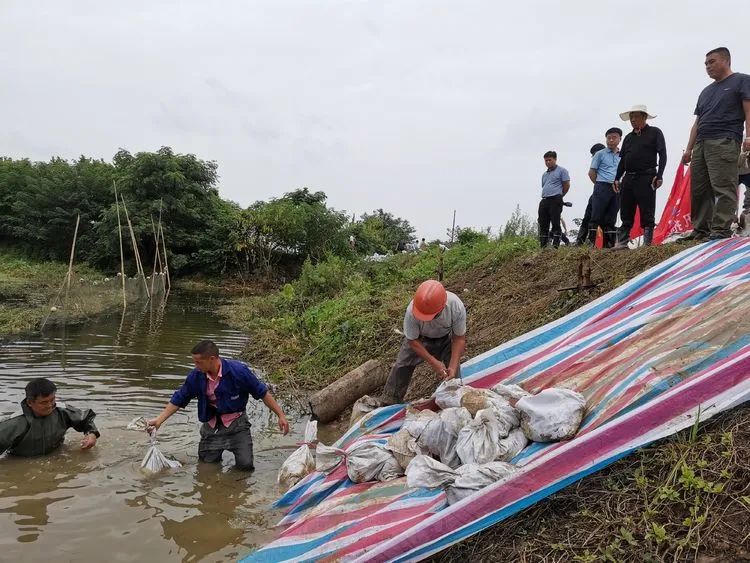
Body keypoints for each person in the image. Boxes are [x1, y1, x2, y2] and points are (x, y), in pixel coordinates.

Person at [147, 340, 289, 471]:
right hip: (211, 426)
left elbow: (262, 393)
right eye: (194, 362)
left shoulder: (238, 372)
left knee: (245, 467)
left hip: (237, 425)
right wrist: (159, 420)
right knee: (206, 468)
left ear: (212, 359)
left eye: (198, 362)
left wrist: (281, 415)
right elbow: (179, 398)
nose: (196, 366)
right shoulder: (196, 376)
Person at [680, 47, 750, 241]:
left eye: (712, 62)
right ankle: (701, 229)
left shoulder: (742, 80)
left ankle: (721, 229)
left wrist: (748, 137)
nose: (708, 66)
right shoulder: (706, 91)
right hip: (702, 142)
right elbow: (697, 122)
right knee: (699, 189)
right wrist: (689, 148)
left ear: (726, 60)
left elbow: (748, 111)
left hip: (725, 139)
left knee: (723, 185)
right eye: (706, 64)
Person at [381, 280, 466, 405]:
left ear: (442, 308)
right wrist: (434, 362)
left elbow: (459, 338)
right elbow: (412, 340)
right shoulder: (411, 311)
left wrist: (452, 366)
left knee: (453, 375)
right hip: (420, 339)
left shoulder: (455, 306)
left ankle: (453, 399)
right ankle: (390, 400)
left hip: (446, 338)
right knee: (402, 365)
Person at [0, 378, 99, 457]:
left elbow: (85, 419)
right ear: (30, 402)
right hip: (21, 462)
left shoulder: (62, 411)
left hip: (57, 455)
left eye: (52, 400)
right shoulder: (13, 424)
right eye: (44, 402)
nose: (49, 405)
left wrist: (91, 434)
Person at [614, 105, 667, 247]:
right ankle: (622, 242)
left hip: (647, 176)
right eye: (631, 117)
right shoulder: (628, 138)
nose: (633, 120)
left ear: (644, 117)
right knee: (625, 210)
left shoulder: (655, 132)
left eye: (636, 116)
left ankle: (647, 242)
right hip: (628, 177)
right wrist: (617, 178)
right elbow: (623, 160)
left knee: (647, 210)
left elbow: (662, 154)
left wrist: (660, 175)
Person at [588, 129, 623, 247]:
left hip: (617, 188)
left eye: (614, 137)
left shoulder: (623, 155)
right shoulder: (600, 154)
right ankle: (592, 244)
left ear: (620, 139)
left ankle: (608, 246)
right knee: (596, 217)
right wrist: (599, 184)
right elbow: (592, 172)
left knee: (611, 217)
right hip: (602, 186)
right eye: (609, 137)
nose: (611, 140)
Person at [537, 150, 570, 248]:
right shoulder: (544, 174)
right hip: (545, 199)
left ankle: (556, 245)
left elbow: (566, 185)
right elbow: (544, 186)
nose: (547, 162)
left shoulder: (562, 171)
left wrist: (560, 196)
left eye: (549, 160)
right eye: (546, 160)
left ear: (555, 159)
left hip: (556, 198)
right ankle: (543, 246)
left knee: (555, 222)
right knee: (543, 223)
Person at [575, 143, 606, 246]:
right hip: (596, 193)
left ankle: (596, 243)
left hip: (609, 195)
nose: (594, 157)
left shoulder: (611, 161)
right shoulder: (596, 164)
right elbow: (592, 175)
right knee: (587, 217)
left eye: (595, 154)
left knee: (603, 220)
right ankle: (580, 242)